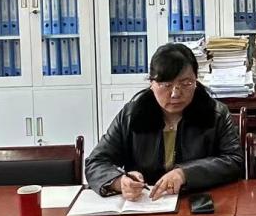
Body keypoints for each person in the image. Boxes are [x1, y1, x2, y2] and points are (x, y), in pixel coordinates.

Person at [85, 42, 242, 200]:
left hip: (197, 200)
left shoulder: (216, 114)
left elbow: (235, 161)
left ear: (196, 80)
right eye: (166, 85)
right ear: (151, 83)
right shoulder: (130, 115)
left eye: (186, 83)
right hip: (144, 204)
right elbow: (96, 162)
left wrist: (185, 174)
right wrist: (119, 182)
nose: (175, 94)